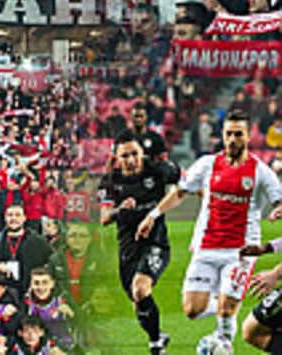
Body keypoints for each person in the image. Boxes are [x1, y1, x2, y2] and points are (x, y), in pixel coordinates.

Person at [137, 109, 282, 348]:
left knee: (225, 309)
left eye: (238, 134)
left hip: (240, 251)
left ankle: (225, 339)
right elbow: (180, 193)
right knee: (192, 310)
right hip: (206, 247)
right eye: (228, 134)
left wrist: (279, 209)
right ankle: (230, 304)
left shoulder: (261, 172)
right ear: (222, 135)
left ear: (248, 136)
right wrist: (153, 215)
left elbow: (279, 201)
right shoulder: (207, 164)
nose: (232, 139)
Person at [98, 130, 178, 354]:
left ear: (142, 153)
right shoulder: (111, 181)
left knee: (140, 288)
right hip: (128, 248)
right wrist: (119, 211)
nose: (131, 159)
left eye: (135, 154)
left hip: (155, 242)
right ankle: (157, 335)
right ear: (116, 158)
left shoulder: (158, 171)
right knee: (138, 301)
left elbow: (185, 182)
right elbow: (104, 218)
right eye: (125, 156)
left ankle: (155, 346)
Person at [0, 204, 52, 295]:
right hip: (4, 293)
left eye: (17, 215)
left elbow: (50, 263)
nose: (13, 218)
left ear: (24, 218)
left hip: (31, 292)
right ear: (5, 218)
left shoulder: (38, 241)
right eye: (10, 215)